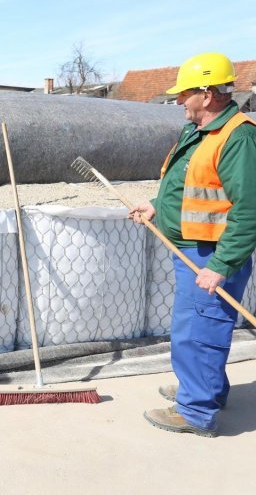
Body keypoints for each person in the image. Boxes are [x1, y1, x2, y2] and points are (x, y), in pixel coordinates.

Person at [129, 52, 256, 438]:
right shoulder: (200, 129)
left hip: (211, 254)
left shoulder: (238, 136)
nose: (179, 100)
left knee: (197, 332)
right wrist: (156, 206)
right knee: (200, 326)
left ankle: (196, 411)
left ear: (207, 93)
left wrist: (221, 264)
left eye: (185, 93)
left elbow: (249, 208)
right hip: (190, 248)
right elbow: (188, 184)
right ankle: (206, 390)